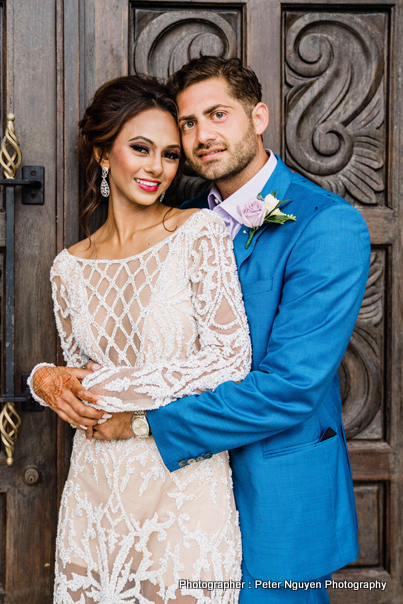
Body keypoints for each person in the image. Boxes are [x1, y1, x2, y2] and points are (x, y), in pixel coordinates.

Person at [31, 57, 371, 603]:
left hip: (271, 495)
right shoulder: (175, 215)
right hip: (164, 499)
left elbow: (288, 388)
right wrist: (45, 376)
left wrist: (141, 423)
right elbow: (116, 344)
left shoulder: (325, 224)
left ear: (258, 116)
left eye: (217, 114)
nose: (200, 136)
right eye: (187, 123)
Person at [28, 74, 252, 603]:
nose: (156, 168)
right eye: (141, 149)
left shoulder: (198, 233)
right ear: (104, 154)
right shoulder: (67, 269)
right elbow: (77, 386)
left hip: (183, 483)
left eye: (171, 155)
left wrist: (106, 386)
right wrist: (44, 381)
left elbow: (229, 360)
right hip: (97, 489)